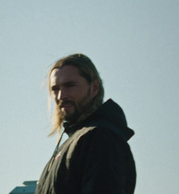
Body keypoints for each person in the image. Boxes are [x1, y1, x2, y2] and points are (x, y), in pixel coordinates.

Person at [35, 54, 136, 194]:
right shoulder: (77, 141)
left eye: (70, 86)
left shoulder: (100, 136)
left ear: (94, 88)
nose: (60, 96)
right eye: (55, 89)